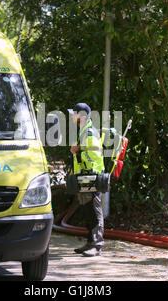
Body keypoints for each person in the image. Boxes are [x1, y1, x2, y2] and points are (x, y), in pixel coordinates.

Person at [68, 103, 105, 257]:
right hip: (84, 177)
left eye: (74, 113)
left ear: (81, 116)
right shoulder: (83, 131)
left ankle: (96, 246)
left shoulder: (89, 132)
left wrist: (77, 152)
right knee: (87, 211)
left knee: (94, 212)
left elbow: (94, 156)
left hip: (92, 178)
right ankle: (90, 242)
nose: (71, 116)